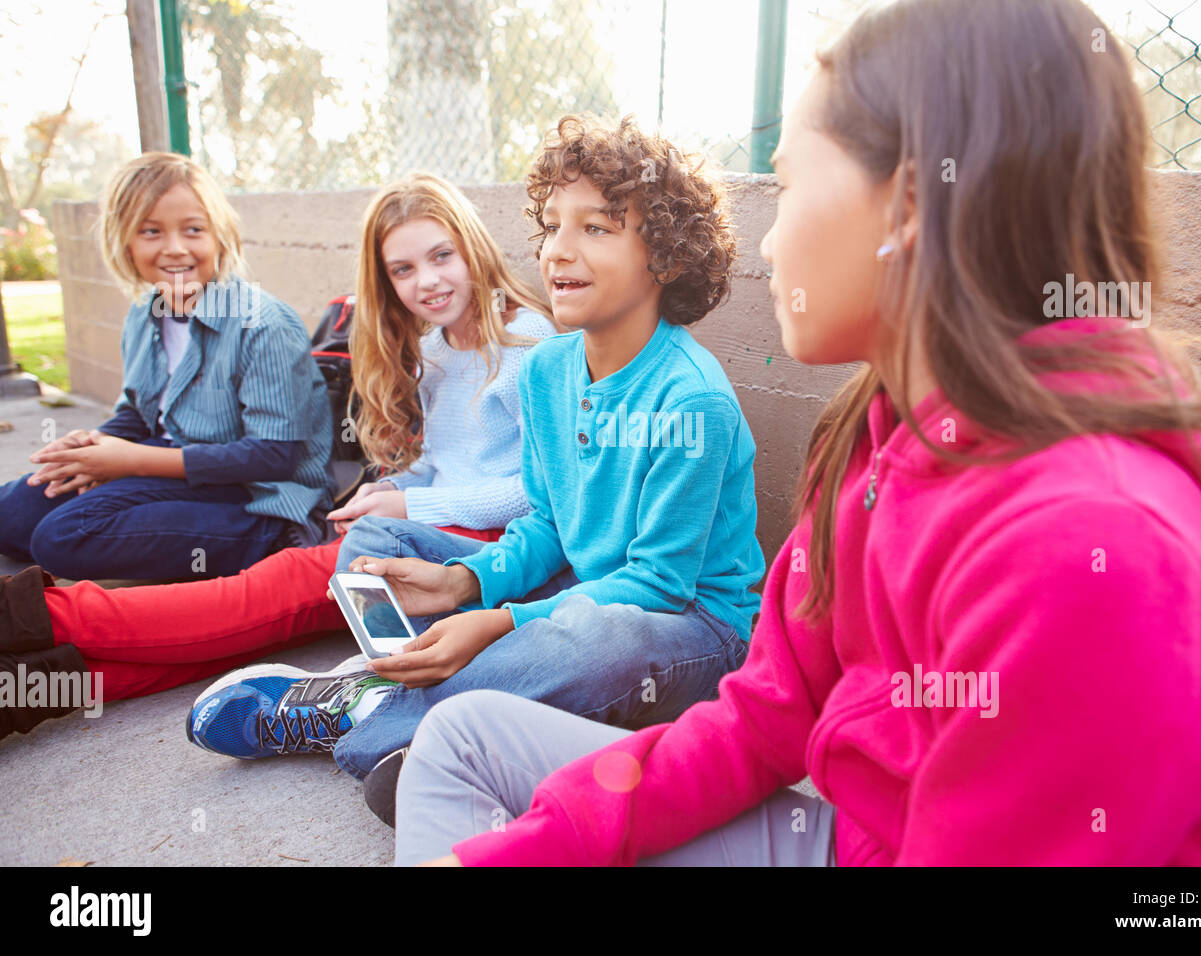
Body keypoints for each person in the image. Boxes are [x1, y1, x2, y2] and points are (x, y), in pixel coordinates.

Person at [391, 0, 1201, 866]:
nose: (773, 243)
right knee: (464, 739)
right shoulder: (873, 432)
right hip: (853, 838)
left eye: (786, 188)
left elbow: (659, 592)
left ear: (905, 205)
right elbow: (763, 720)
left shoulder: (1089, 551)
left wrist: (509, 623)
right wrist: (522, 848)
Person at [187, 116, 766, 829]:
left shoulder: (690, 398)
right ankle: (430, 706)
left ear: (668, 259)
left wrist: (497, 621)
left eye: (597, 228)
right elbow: (550, 523)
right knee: (375, 548)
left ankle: (367, 716)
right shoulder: (552, 366)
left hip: (689, 627)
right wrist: (468, 581)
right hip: (581, 586)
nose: (558, 250)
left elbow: (656, 584)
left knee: (589, 639)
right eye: (552, 225)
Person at [0, 172, 553, 740]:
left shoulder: (529, 345)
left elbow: (538, 495)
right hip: (424, 527)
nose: (428, 281)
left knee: (259, 597)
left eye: (442, 256)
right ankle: (32, 687)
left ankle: (24, 616)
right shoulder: (436, 346)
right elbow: (441, 461)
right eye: (403, 270)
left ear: (473, 248)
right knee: (258, 627)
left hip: (483, 547)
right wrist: (390, 490)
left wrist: (412, 508)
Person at [0, 151, 331, 581]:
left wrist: (128, 462)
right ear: (126, 244)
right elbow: (139, 415)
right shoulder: (144, 315)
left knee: (61, 537)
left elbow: (275, 457)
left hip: (256, 497)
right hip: (174, 469)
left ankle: (259, 544)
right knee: (11, 515)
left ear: (220, 236)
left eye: (193, 230)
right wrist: (97, 444)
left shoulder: (262, 323)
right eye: (151, 231)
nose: (175, 249)